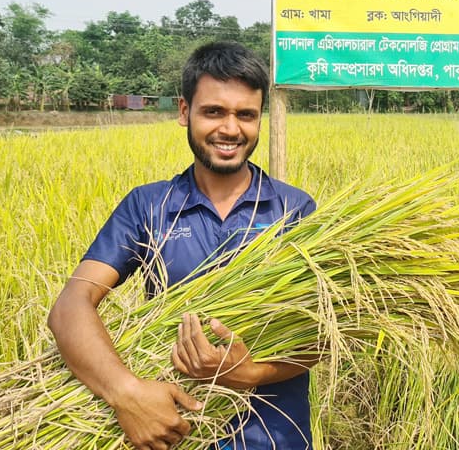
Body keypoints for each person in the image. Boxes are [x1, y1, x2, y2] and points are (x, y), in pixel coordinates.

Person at [48, 41, 317, 450]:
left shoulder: (292, 208)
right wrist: (127, 393)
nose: (230, 129)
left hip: (274, 437)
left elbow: (323, 336)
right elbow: (71, 304)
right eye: (214, 112)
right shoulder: (149, 206)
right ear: (183, 111)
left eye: (246, 115)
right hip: (174, 433)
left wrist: (249, 374)